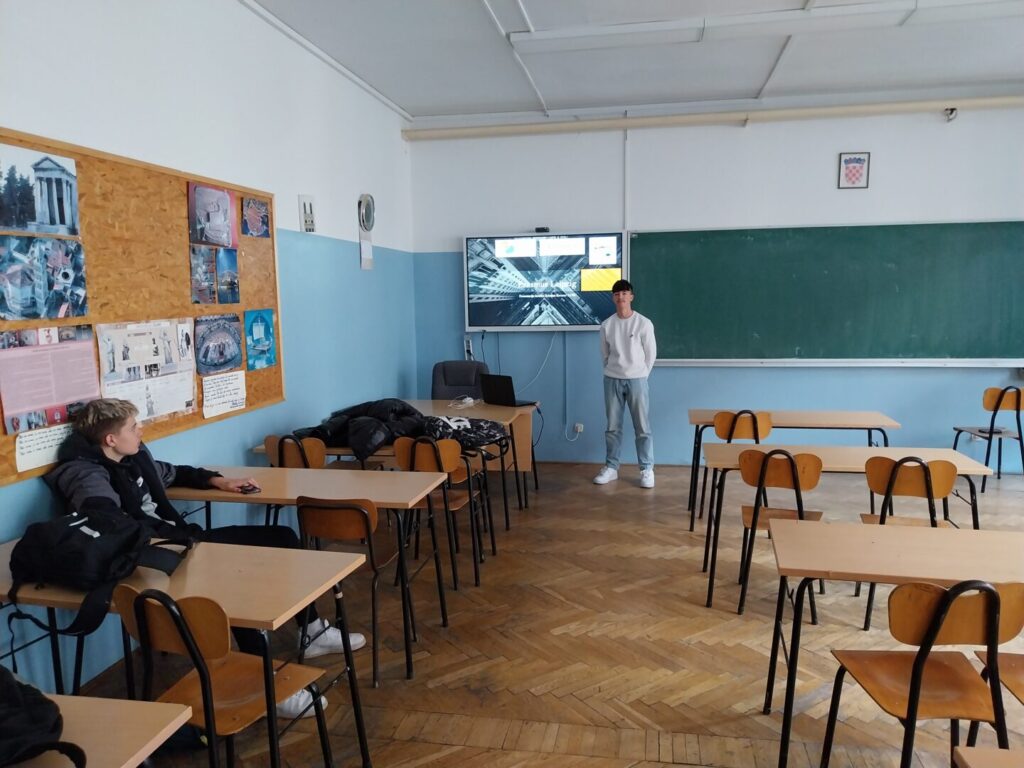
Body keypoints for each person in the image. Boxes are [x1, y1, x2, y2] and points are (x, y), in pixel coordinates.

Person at [44, 398, 364, 718]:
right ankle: (266, 688)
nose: (141, 430)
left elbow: (172, 473)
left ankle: (312, 633)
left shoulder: (133, 456)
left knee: (282, 538)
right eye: (133, 427)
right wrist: (180, 537)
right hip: (152, 556)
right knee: (236, 583)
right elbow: (110, 523)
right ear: (111, 439)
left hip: (179, 542)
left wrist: (218, 480)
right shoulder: (86, 475)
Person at [594, 279, 657, 488]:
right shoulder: (607, 325)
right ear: (613, 298)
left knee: (642, 427)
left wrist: (641, 375)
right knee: (612, 427)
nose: (620, 297)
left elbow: (651, 354)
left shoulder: (643, 323)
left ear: (631, 296)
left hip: (637, 380)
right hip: (612, 379)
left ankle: (646, 469)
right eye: (617, 294)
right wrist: (613, 371)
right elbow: (605, 355)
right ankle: (611, 468)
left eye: (624, 293)